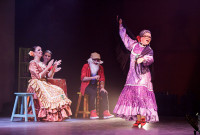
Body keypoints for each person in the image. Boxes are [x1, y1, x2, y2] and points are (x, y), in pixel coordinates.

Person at [113, 18, 159, 127]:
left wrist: (143, 59)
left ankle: (143, 118)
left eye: (149, 37)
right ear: (141, 38)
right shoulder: (133, 45)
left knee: (141, 96)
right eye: (146, 37)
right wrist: (121, 26)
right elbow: (125, 38)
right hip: (132, 76)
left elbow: (150, 59)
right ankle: (138, 119)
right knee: (134, 97)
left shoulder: (149, 50)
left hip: (143, 77)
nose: (148, 38)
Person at [27, 46, 72, 121]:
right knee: (47, 94)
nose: (41, 51)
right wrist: (48, 67)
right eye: (38, 50)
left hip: (43, 82)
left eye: (41, 50)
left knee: (58, 90)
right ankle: (46, 115)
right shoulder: (32, 63)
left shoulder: (41, 64)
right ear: (34, 53)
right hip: (36, 83)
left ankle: (57, 114)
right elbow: (38, 76)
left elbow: (49, 75)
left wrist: (54, 66)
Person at [80, 52, 114, 119]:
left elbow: (102, 78)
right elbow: (83, 78)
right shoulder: (86, 66)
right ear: (91, 59)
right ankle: (92, 112)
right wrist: (93, 77)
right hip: (86, 86)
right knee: (93, 92)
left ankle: (106, 112)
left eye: (97, 60)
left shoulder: (100, 67)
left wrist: (102, 88)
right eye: (94, 60)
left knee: (104, 93)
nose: (96, 61)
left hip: (96, 86)